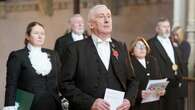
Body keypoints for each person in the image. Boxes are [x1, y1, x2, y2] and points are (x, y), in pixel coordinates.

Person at [59, 5, 138, 110]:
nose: (107, 20)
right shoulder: (75, 49)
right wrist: (90, 103)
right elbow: (64, 84)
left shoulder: (120, 47)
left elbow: (133, 80)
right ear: (91, 25)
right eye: (101, 16)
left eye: (109, 16)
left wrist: (129, 100)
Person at [3, 21, 61, 110]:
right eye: (36, 33)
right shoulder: (18, 56)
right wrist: (9, 106)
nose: (40, 36)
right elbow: (11, 84)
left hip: (53, 104)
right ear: (27, 36)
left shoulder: (54, 55)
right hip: (27, 105)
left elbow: (60, 80)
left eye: (42, 33)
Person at [147, 18, 185, 110]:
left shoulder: (173, 42)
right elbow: (148, 64)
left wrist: (180, 76)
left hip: (174, 83)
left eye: (168, 26)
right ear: (157, 29)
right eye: (164, 27)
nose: (167, 29)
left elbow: (178, 61)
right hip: (160, 84)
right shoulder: (151, 43)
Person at [129, 37, 165, 110]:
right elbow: (126, 85)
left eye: (144, 46)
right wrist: (139, 94)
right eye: (139, 46)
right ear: (132, 50)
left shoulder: (153, 60)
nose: (142, 48)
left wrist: (162, 90)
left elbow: (159, 79)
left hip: (154, 104)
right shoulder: (129, 63)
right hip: (138, 105)